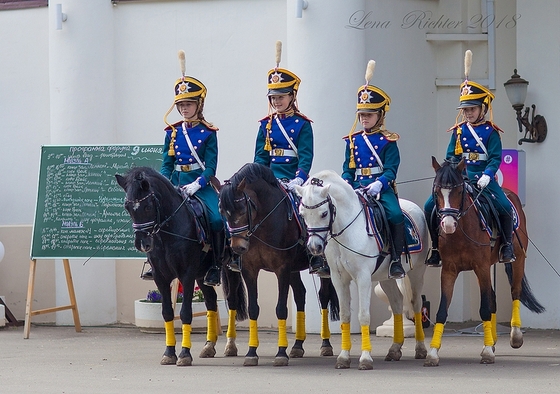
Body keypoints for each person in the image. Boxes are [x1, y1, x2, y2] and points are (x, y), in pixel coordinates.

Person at [239, 40, 328, 277]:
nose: (277, 102)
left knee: (306, 210)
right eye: (273, 98)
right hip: (270, 180)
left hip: (293, 180)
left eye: (281, 97)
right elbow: (260, 158)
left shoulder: (302, 125)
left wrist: (298, 179)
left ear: (292, 96)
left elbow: (306, 157)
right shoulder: (265, 125)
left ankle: (314, 257)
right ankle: (238, 254)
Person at [424, 50, 516, 267]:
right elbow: (450, 157)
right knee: (429, 206)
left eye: (472, 109)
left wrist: (487, 175)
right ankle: (436, 248)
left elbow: (495, 158)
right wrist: (454, 174)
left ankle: (507, 246)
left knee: (504, 205)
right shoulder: (458, 131)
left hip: (484, 181)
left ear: (483, 108)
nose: (468, 113)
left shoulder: (491, 132)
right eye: (465, 110)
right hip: (460, 180)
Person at [157, 49, 225, 286]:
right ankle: (153, 263)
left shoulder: (209, 133)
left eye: (188, 104)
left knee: (217, 219)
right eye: (180, 105)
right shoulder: (172, 132)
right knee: (155, 215)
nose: (184, 109)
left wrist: (197, 185)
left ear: (199, 104)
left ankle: (216, 265)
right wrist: (165, 183)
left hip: (199, 183)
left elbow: (211, 168)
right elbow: (166, 164)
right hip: (175, 182)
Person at [341, 60, 406, 280]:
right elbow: (348, 170)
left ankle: (396, 260)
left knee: (396, 214)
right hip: (357, 188)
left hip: (380, 188)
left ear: (380, 115)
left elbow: (391, 170)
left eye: (369, 114)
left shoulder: (389, 140)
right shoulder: (352, 140)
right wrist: (347, 185)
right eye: (361, 114)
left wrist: (379, 183)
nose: (364, 118)